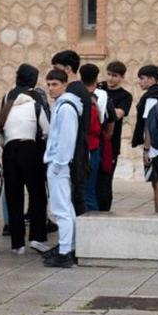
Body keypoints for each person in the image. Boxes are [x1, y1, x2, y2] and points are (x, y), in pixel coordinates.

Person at [0, 64, 50, 255]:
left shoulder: (7, 96)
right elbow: (46, 129)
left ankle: (17, 243)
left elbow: (2, 126)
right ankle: (37, 237)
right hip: (30, 149)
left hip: (9, 150)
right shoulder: (36, 98)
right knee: (37, 194)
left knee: (13, 195)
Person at [42, 69, 81, 268]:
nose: (51, 88)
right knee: (65, 207)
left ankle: (65, 251)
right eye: (48, 84)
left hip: (59, 164)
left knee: (61, 209)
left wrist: (58, 164)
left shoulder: (65, 108)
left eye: (55, 84)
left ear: (65, 84)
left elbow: (66, 140)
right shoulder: (62, 105)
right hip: (58, 163)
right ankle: (69, 246)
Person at [50, 50, 93, 215]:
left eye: (57, 68)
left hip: (74, 153)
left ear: (68, 69)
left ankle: (73, 239)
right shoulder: (80, 89)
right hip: (79, 150)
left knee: (72, 199)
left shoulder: (72, 93)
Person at [131, 65, 158, 213]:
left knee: (157, 181)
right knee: (157, 182)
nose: (140, 82)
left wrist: (147, 149)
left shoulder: (152, 97)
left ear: (152, 79)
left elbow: (149, 125)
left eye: (142, 78)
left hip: (155, 147)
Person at [96, 61, 133, 211]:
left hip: (111, 142)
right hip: (93, 140)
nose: (110, 79)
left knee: (105, 180)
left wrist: (103, 106)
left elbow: (118, 114)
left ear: (122, 77)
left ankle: (104, 211)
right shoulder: (99, 87)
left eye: (115, 76)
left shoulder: (125, 96)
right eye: (109, 74)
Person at [80, 64, 105, 212]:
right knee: (90, 191)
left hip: (85, 150)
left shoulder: (79, 99)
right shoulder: (95, 100)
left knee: (85, 192)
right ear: (96, 79)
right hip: (93, 148)